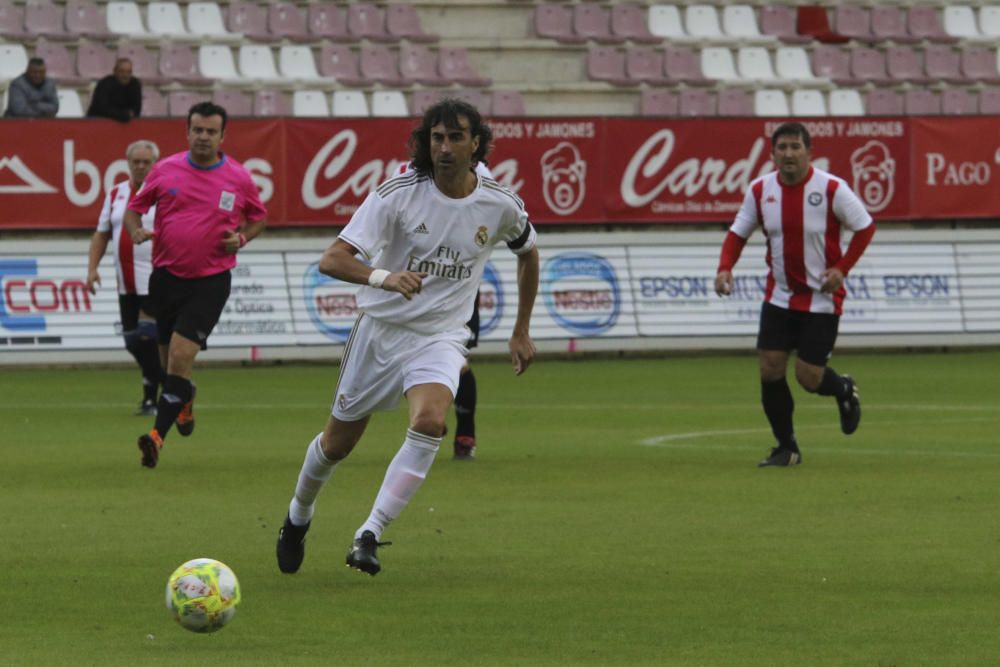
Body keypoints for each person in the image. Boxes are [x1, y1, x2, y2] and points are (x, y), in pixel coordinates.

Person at [275, 98, 539, 576]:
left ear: (475, 143)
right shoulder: (398, 193)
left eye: (456, 137)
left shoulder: (499, 203)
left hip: (440, 336)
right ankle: (297, 517)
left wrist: (521, 330)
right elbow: (332, 260)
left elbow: (529, 253)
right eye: (436, 137)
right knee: (336, 445)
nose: (444, 147)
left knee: (432, 421)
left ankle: (369, 533)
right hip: (380, 331)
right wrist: (384, 277)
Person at [714, 122, 875, 468]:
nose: (788, 153)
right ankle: (787, 448)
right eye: (782, 148)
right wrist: (725, 266)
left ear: (809, 151)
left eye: (795, 147)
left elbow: (865, 227)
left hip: (821, 299)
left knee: (809, 377)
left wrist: (842, 268)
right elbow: (738, 232)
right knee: (770, 370)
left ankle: (843, 389)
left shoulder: (833, 189)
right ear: (772, 154)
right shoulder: (760, 190)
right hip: (779, 297)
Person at [123, 101, 268, 469]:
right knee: (165, 367)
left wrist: (243, 239)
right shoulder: (165, 170)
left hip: (210, 282)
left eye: (210, 131)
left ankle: (155, 437)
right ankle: (184, 400)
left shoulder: (238, 177)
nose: (203, 136)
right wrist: (136, 229)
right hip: (166, 279)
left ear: (223, 135)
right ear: (187, 132)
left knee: (181, 357)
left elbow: (257, 219)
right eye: (197, 130)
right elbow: (133, 208)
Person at [396, 158, 493, 461]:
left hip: (454, 287)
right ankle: (431, 415)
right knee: (405, 357)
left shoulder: (480, 174)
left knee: (458, 361)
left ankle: (464, 432)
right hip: (414, 284)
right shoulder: (404, 173)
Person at [86, 140, 163, 415]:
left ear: (156, 164)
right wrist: (92, 269)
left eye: (146, 162)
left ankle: (153, 398)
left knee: (146, 335)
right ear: (128, 163)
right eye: (136, 162)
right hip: (124, 281)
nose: (141, 166)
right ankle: (169, 385)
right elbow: (102, 233)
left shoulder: (163, 193)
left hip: (155, 278)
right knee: (132, 340)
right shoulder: (116, 193)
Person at [86, 58, 142, 122]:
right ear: (115, 71)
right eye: (121, 71)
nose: (125, 75)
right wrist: (123, 115)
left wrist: (123, 115)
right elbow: (102, 109)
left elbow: (137, 109)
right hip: (98, 123)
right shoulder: (104, 84)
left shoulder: (135, 84)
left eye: (128, 72)